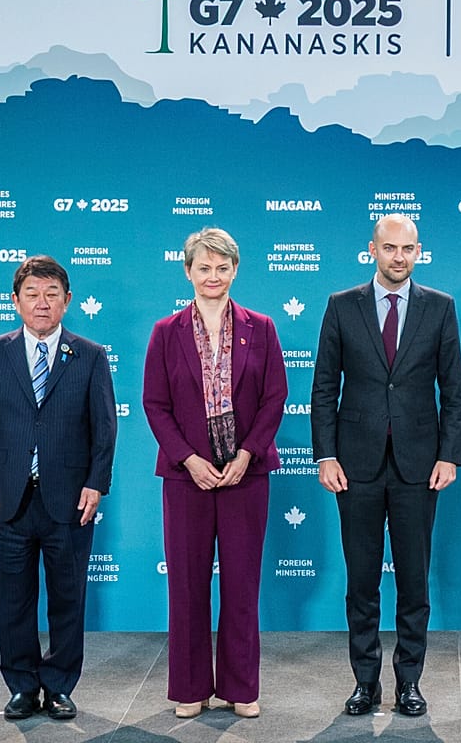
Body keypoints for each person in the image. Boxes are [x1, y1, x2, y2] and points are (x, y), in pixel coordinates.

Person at [311, 214, 461, 717]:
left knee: (415, 581)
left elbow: (455, 392)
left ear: (418, 252)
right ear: (371, 250)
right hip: (353, 466)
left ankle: (409, 682)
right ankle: (365, 682)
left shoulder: (440, 308)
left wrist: (449, 454)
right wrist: (326, 454)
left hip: (419, 467)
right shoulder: (341, 306)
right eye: (390, 248)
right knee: (361, 580)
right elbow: (322, 389)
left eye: (409, 249)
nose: (399, 257)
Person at [0, 255, 116, 721]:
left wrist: (96, 483)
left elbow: (104, 427)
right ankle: (23, 686)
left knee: (69, 598)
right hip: (8, 497)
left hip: (69, 498)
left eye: (52, 294)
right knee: (13, 599)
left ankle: (60, 684)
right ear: (15, 302)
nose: (42, 303)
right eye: (32, 294)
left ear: (68, 301)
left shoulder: (89, 355)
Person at [143, 228, 287, 719]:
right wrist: (187, 458)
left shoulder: (261, 327)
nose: (212, 276)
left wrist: (248, 453)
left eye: (222, 267)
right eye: (203, 268)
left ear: (235, 270)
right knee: (186, 585)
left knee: (242, 584)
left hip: (246, 474)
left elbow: (275, 397)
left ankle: (241, 687)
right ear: (187, 272)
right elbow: (155, 405)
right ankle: (189, 687)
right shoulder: (166, 332)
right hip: (188, 477)